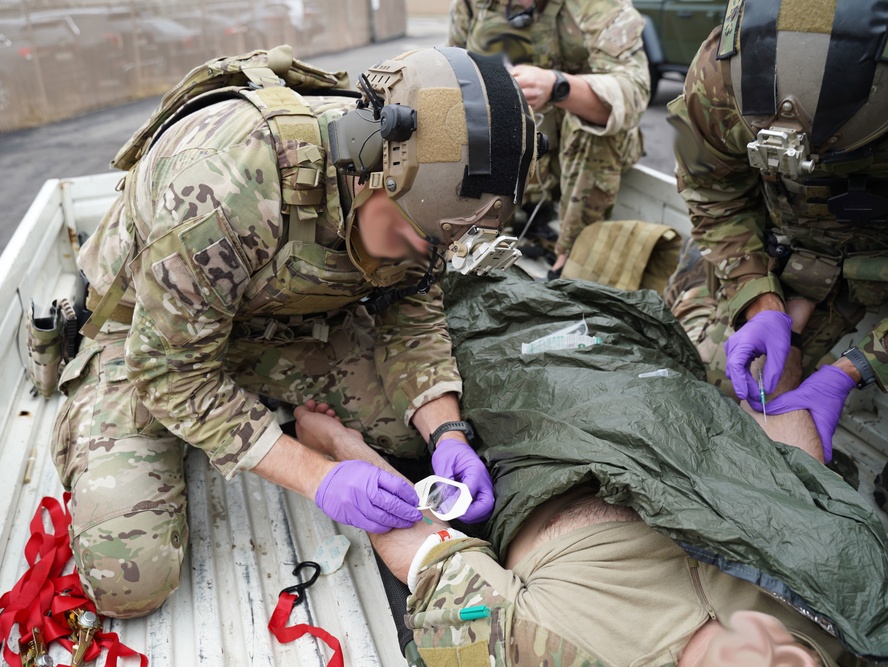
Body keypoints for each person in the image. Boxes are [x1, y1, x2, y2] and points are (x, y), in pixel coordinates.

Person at [50, 46, 542, 618]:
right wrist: (318, 476)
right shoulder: (225, 183)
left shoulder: (422, 208)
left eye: (434, 246)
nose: (419, 255)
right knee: (129, 582)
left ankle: (268, 420)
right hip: (149, 341)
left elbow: (410, 313)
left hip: (270, 324)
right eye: (412, 237)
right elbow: (172, 370)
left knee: (409, 440)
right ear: (367, 163)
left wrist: (447, 432)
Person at [292, 271, 888, 666]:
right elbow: (796, 486)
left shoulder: (551, 649)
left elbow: (425, 547)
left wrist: (339, 451)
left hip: (546, 422)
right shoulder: (850, 614)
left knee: (466, 315)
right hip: (663, 408)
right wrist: (817, 389)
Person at [664, 0, 888, 419]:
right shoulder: (718, 77)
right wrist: (759, 298)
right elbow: (712, 191)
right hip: (790, 245)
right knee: (715, 386)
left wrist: (856, 368)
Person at [447, 0, 650, 279]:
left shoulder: (599, 6)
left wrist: (557, 86)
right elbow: (452, 69)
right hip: (515, 152)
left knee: (591, 125)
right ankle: (483, 232)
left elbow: (634, 90)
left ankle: (571, 258)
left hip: (580, 158)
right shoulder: (472, 5)